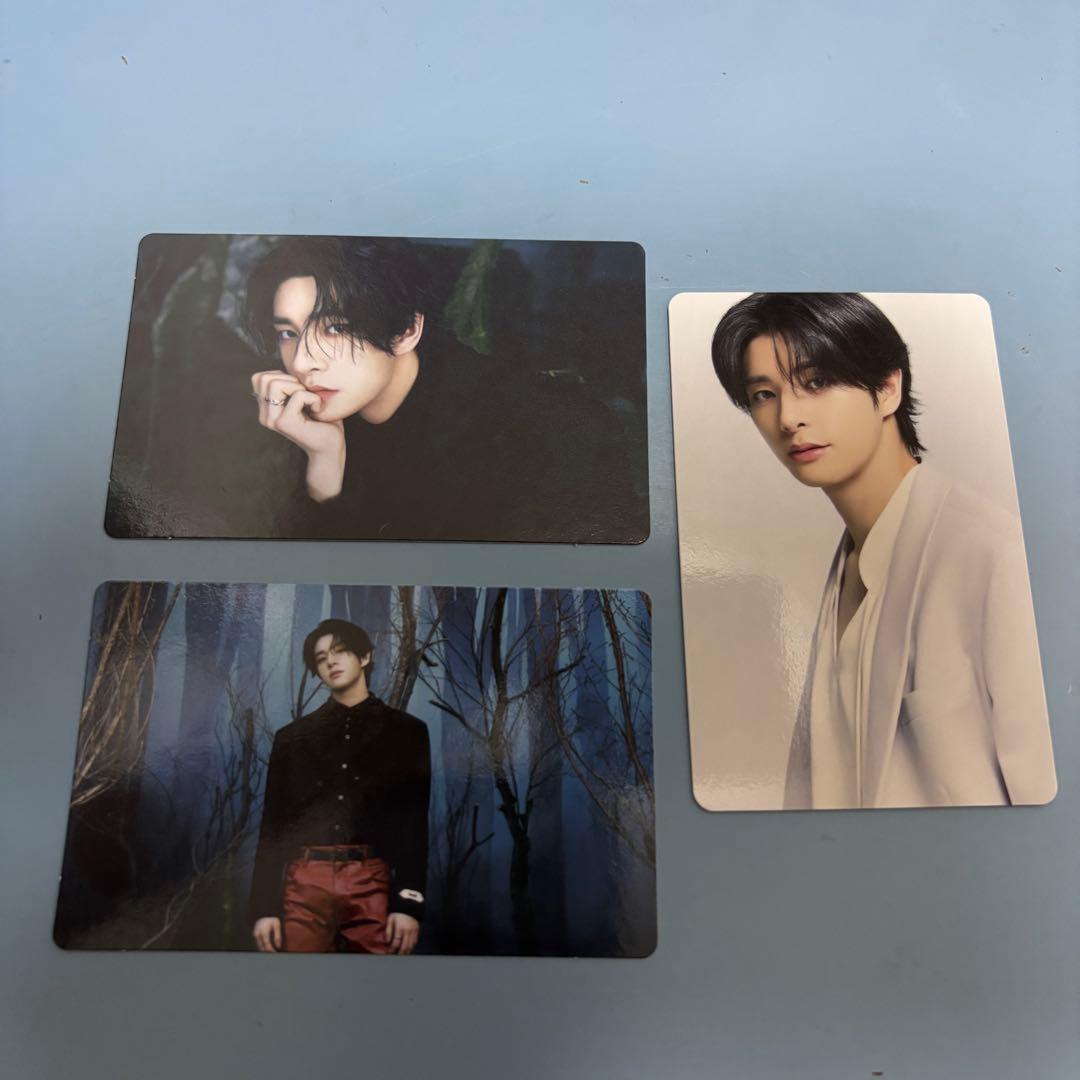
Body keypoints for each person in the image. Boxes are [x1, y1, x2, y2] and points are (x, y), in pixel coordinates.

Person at [710, 292, 1057, 809]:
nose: (788, 418)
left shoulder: (995, 555)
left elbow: (1050, 805)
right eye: (764, 394)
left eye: (816, 382)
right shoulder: (848, 566)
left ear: (888, 387)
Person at [243, 236, 644, 542]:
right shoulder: (293, 423)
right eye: (287, 333)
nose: (302, 362)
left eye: (335, 328)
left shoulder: (540, 429)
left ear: (406, 330)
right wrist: (324, 466)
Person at [250, 618, 431, 953]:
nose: (330, 661)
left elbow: (414, 822)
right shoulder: (291, 738)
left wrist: (408, 903)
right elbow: (273, 825)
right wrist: (264, 908)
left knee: (375, 981)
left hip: (373, 879)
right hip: (304, 881)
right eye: (320, 658)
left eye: (340, 651)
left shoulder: (407, 732)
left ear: (365, 657)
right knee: (298, 979)